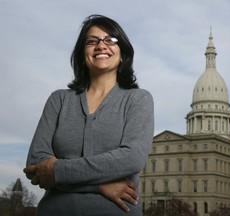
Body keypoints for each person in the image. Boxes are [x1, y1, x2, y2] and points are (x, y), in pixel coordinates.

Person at [23, 14, 154, 216]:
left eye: (110, 40)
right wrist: (100, 186)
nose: (101, 45)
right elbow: (36, 164)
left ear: (123, 53)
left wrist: (58, 172)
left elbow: (132, 159)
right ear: (82, 54)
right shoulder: (58, 100)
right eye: (92, 41)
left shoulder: (138, 99)